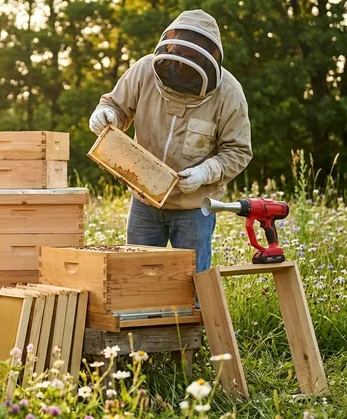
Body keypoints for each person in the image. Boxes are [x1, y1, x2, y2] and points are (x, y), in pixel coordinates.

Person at [89, 9, 252, 273]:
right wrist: (106, 114)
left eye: (191, 61)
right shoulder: (144, 70)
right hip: (144, 201)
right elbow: (116, 105)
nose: (182, 68)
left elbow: (238, 151)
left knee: (192, 283)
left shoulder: (229, 95)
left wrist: (205, 172)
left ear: (210, 57)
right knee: (137, 278)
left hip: (194, 209)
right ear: (170, 45)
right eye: (180, 57)